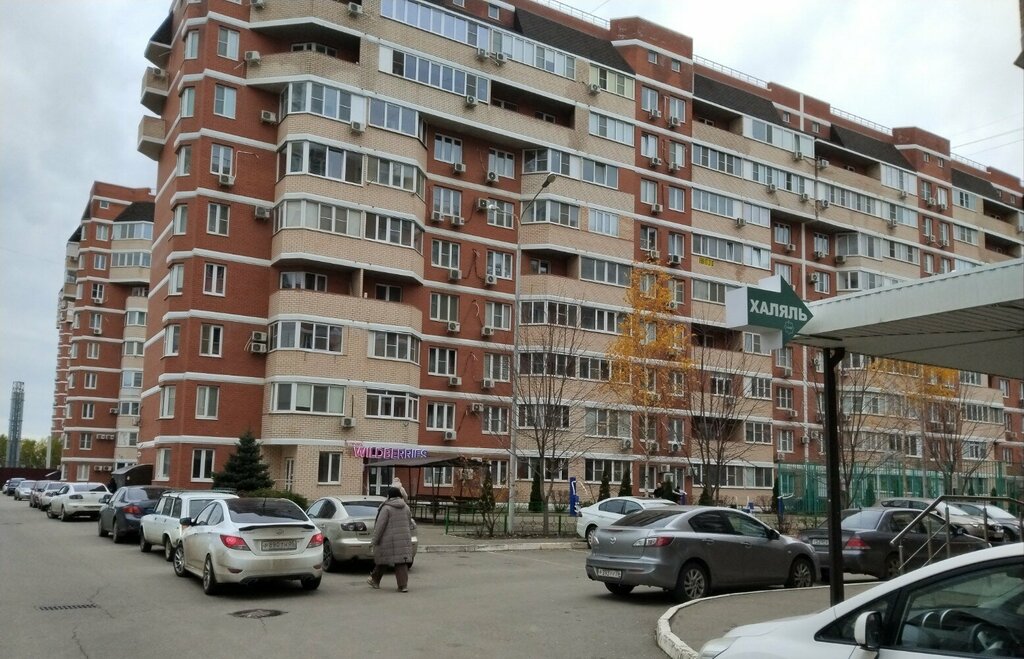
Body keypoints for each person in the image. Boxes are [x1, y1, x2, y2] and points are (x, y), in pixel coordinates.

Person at [367, 487, 416, 592]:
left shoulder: (386, 508)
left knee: (383, 560)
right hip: (403, 540)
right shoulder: (406, 507)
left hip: (387, 539)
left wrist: (374, 541)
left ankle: (375, 580)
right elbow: (409, 522)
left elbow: (380, 526)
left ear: (389, 496)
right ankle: (403, 586)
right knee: (401, 562)